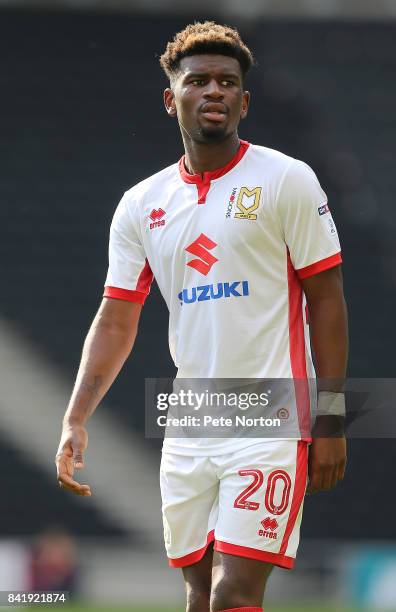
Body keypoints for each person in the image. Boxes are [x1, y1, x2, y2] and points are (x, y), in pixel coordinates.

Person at [55, 21, 348, 612]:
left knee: (234, 593)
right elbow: (116, 318)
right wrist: (75, 417)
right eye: (198, 80)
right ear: (172, 99)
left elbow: (327, 299)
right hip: (191, 417)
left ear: (245, 100)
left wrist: (333, 418)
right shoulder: (142, 204)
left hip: (272, 413)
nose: (213, 90)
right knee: (196, 593)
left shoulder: (286, 179)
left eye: (227, 81)